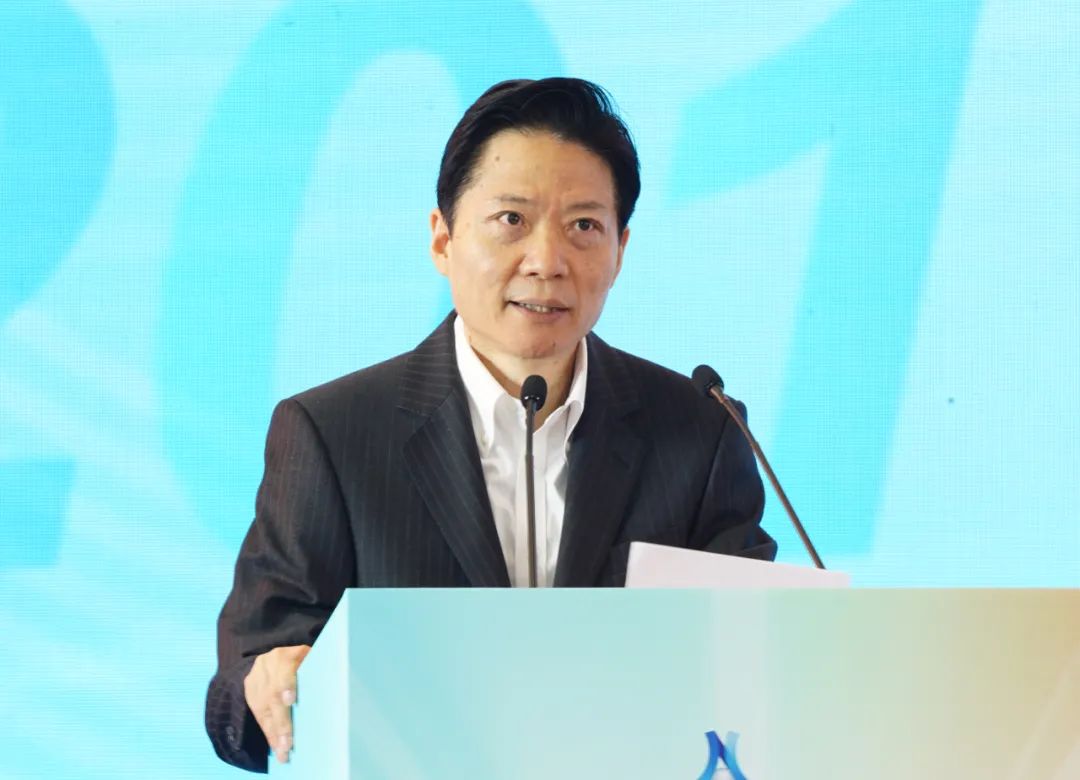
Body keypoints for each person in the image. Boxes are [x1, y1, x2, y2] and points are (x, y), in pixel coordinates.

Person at [205, 77, 776, 773]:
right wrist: (269, 680)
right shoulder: (332, 434)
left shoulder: (700, 431)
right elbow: (244, 683)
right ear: (443, 239)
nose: (547, 261)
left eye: (584, 226)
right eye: (511, 219)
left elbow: (752, 664)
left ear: (620, 250)